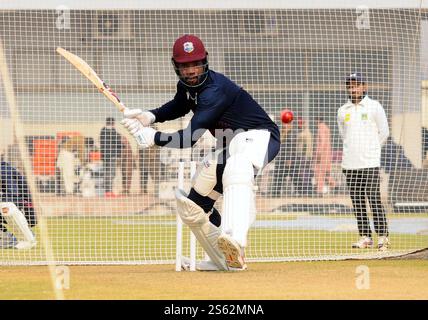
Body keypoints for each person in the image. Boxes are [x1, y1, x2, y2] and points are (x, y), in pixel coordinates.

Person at [121, 34, 280, 271]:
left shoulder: (215, 90)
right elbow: (177, 106)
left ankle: (235, 239)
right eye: (185, 66)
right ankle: (224, 260)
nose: (191, 71)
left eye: (195, 64)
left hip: (259, 136)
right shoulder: (186, 88)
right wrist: (149, 116)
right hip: (229, 143)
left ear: (205, 61)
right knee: (192, 206)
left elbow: (190, 138)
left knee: (237, 166)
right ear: (176, 66)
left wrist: (154, 137)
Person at [337, 72, 390, 251]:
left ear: (364, 87)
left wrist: (372, 149)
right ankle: (365, 236)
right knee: (357, 201)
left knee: (374, 199)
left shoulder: (374, 106)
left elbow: (384, 132)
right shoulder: (343, 110)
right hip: (350, 163)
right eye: (350, 86)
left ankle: (383, 236)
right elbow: (344, 135)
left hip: (369, 162)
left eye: (357, 85)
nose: (353, 89)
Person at [0, 161, 37, 249]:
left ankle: (11, 238)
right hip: (18, 202)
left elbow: (15, 191)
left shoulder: (5, 170)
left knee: (7, 208)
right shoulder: (10, 169)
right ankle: (7, 238)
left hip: (9, 202)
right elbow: (24, 187)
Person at [99, 117, 123, 198]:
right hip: (112, 155)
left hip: (104, 155)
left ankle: (107, 191)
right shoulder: (114, 132)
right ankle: (109, 191)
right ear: (113, 123)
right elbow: (118, 144)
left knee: (106, 173)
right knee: (111, 173)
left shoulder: (103, 131)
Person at [313, 116, 336, 195]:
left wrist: (319, 153)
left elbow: (322, 141)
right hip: (327, 154)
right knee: (326, 173)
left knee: (319, 173)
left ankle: (319, 191)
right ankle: (334, 185)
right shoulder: (327, 128)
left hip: (322, 155)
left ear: (318, 120)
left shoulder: (321, 128)